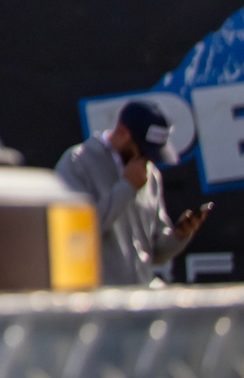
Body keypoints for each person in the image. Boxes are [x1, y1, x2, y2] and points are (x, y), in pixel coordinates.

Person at [54, 100, 211, 287]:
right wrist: (127, 186)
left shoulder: (150, 174)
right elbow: (76, 232)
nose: (149, 158)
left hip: (140, 301)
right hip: (95, 304)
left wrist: (179, 235)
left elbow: (154, 253)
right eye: (145, 150)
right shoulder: (77, 162)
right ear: (122, 133)